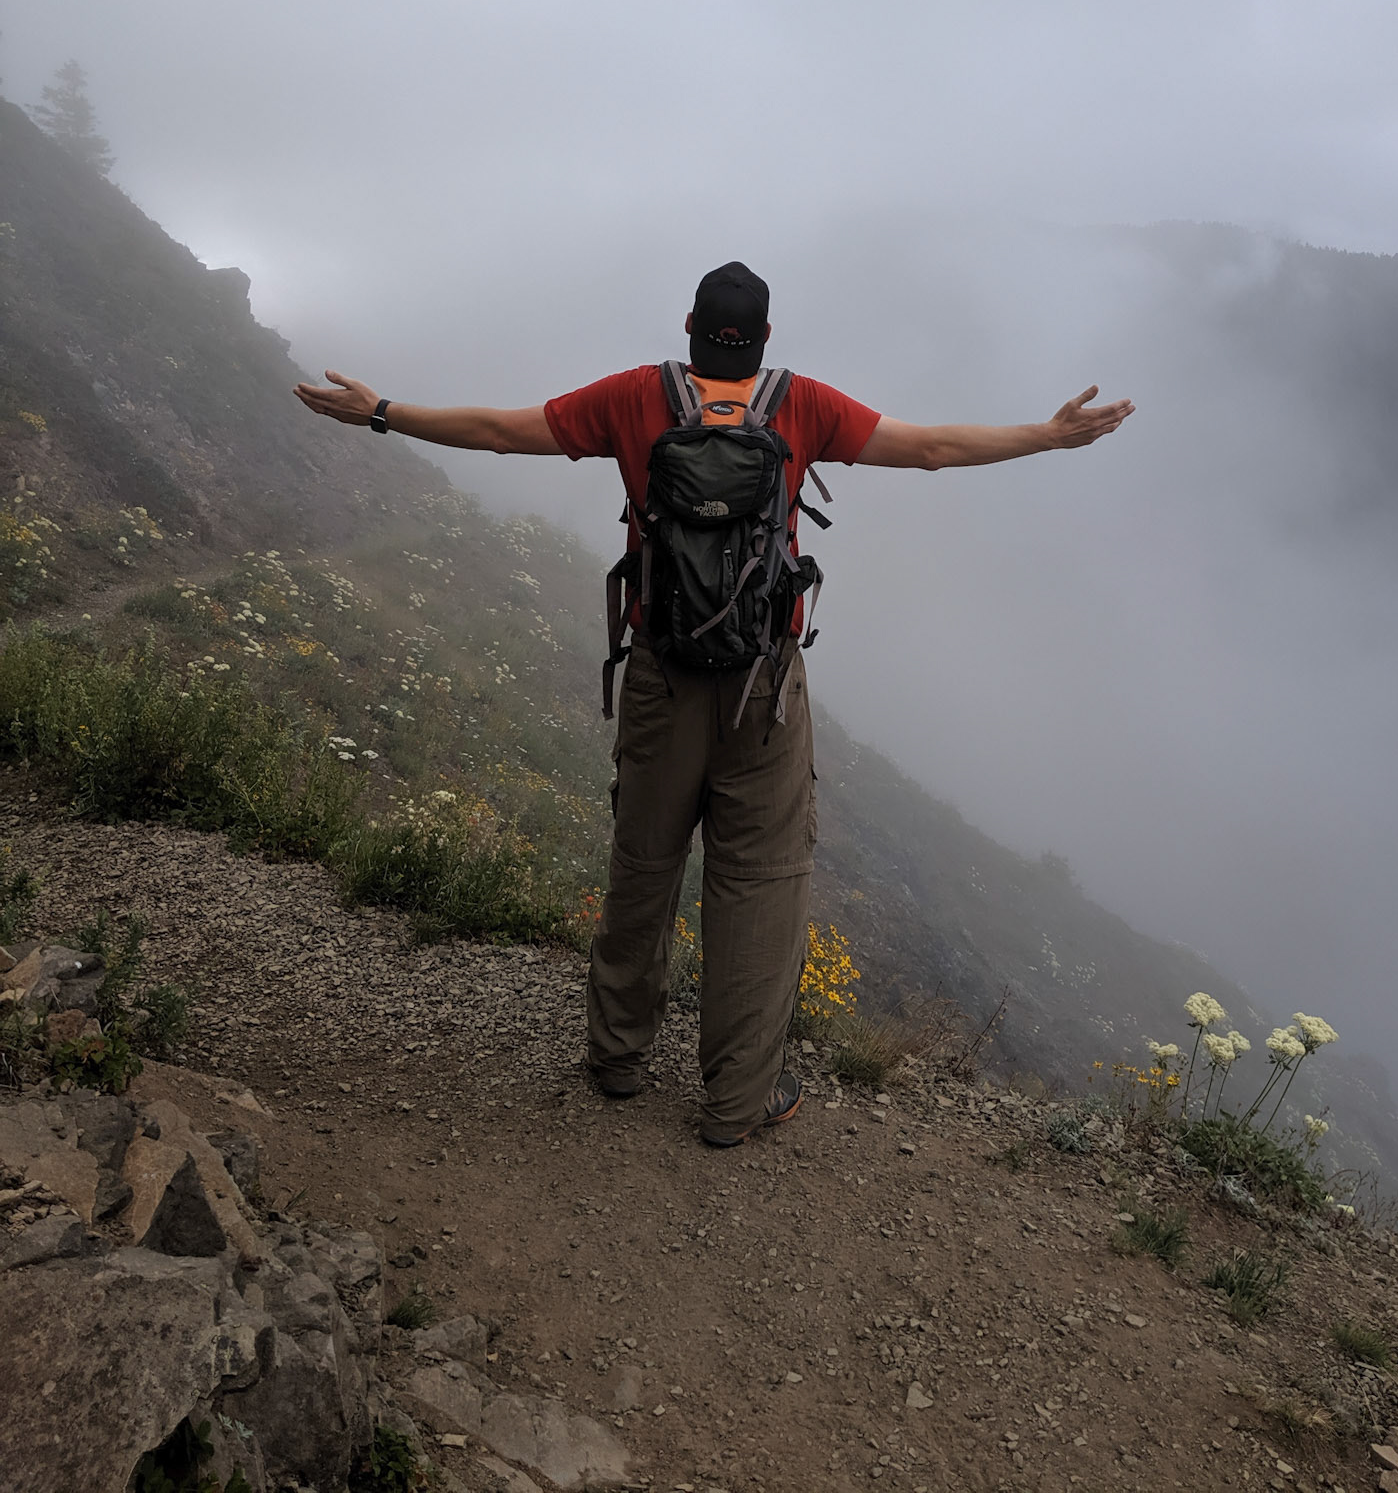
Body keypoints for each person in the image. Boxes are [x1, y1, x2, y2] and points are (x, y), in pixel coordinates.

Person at [295, 260, 1133, 1146]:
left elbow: (502, 432)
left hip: (661, 674)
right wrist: (1047, 436)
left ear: (690, 326)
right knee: (759, 882)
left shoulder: (634, 398)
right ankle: (737, 1101)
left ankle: (617, 1058)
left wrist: (383, 411)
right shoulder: (801, 405)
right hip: (763, 688)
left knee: (645, 862)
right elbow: (931, 448)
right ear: (764, 339)